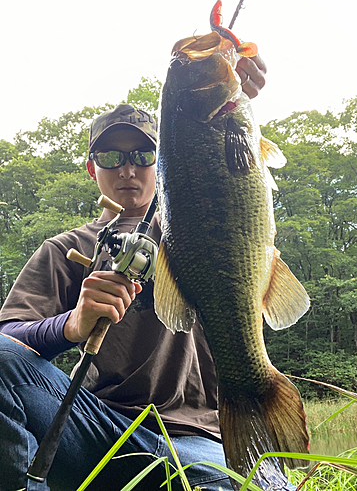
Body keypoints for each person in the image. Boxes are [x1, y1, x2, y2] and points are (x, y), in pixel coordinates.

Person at [0, 55, 293, 491]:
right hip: (97, 429)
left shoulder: (193, 221)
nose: (128, 168)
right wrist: (72, 325)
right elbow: (8, 341)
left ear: (165, 160)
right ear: (91, 166)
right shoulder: (63, 250)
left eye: (143, 154)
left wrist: (230, 102)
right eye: (110, 155)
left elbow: (227, 181)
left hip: (203, 434)